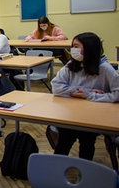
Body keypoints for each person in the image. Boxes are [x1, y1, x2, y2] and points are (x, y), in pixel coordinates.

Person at [51, 32, 119, 160]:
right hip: (70, 114)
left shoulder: (104, 69)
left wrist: (90, 95)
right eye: (73, 46)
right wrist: (84, 91)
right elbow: (56, 86)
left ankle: (84, 170)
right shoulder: (71, 65)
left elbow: (117, 94)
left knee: (87, 142)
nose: (73, 50)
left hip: (93, 117)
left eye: (77, 46)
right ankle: (57, 168)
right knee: (64, 140)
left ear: (89, 48)